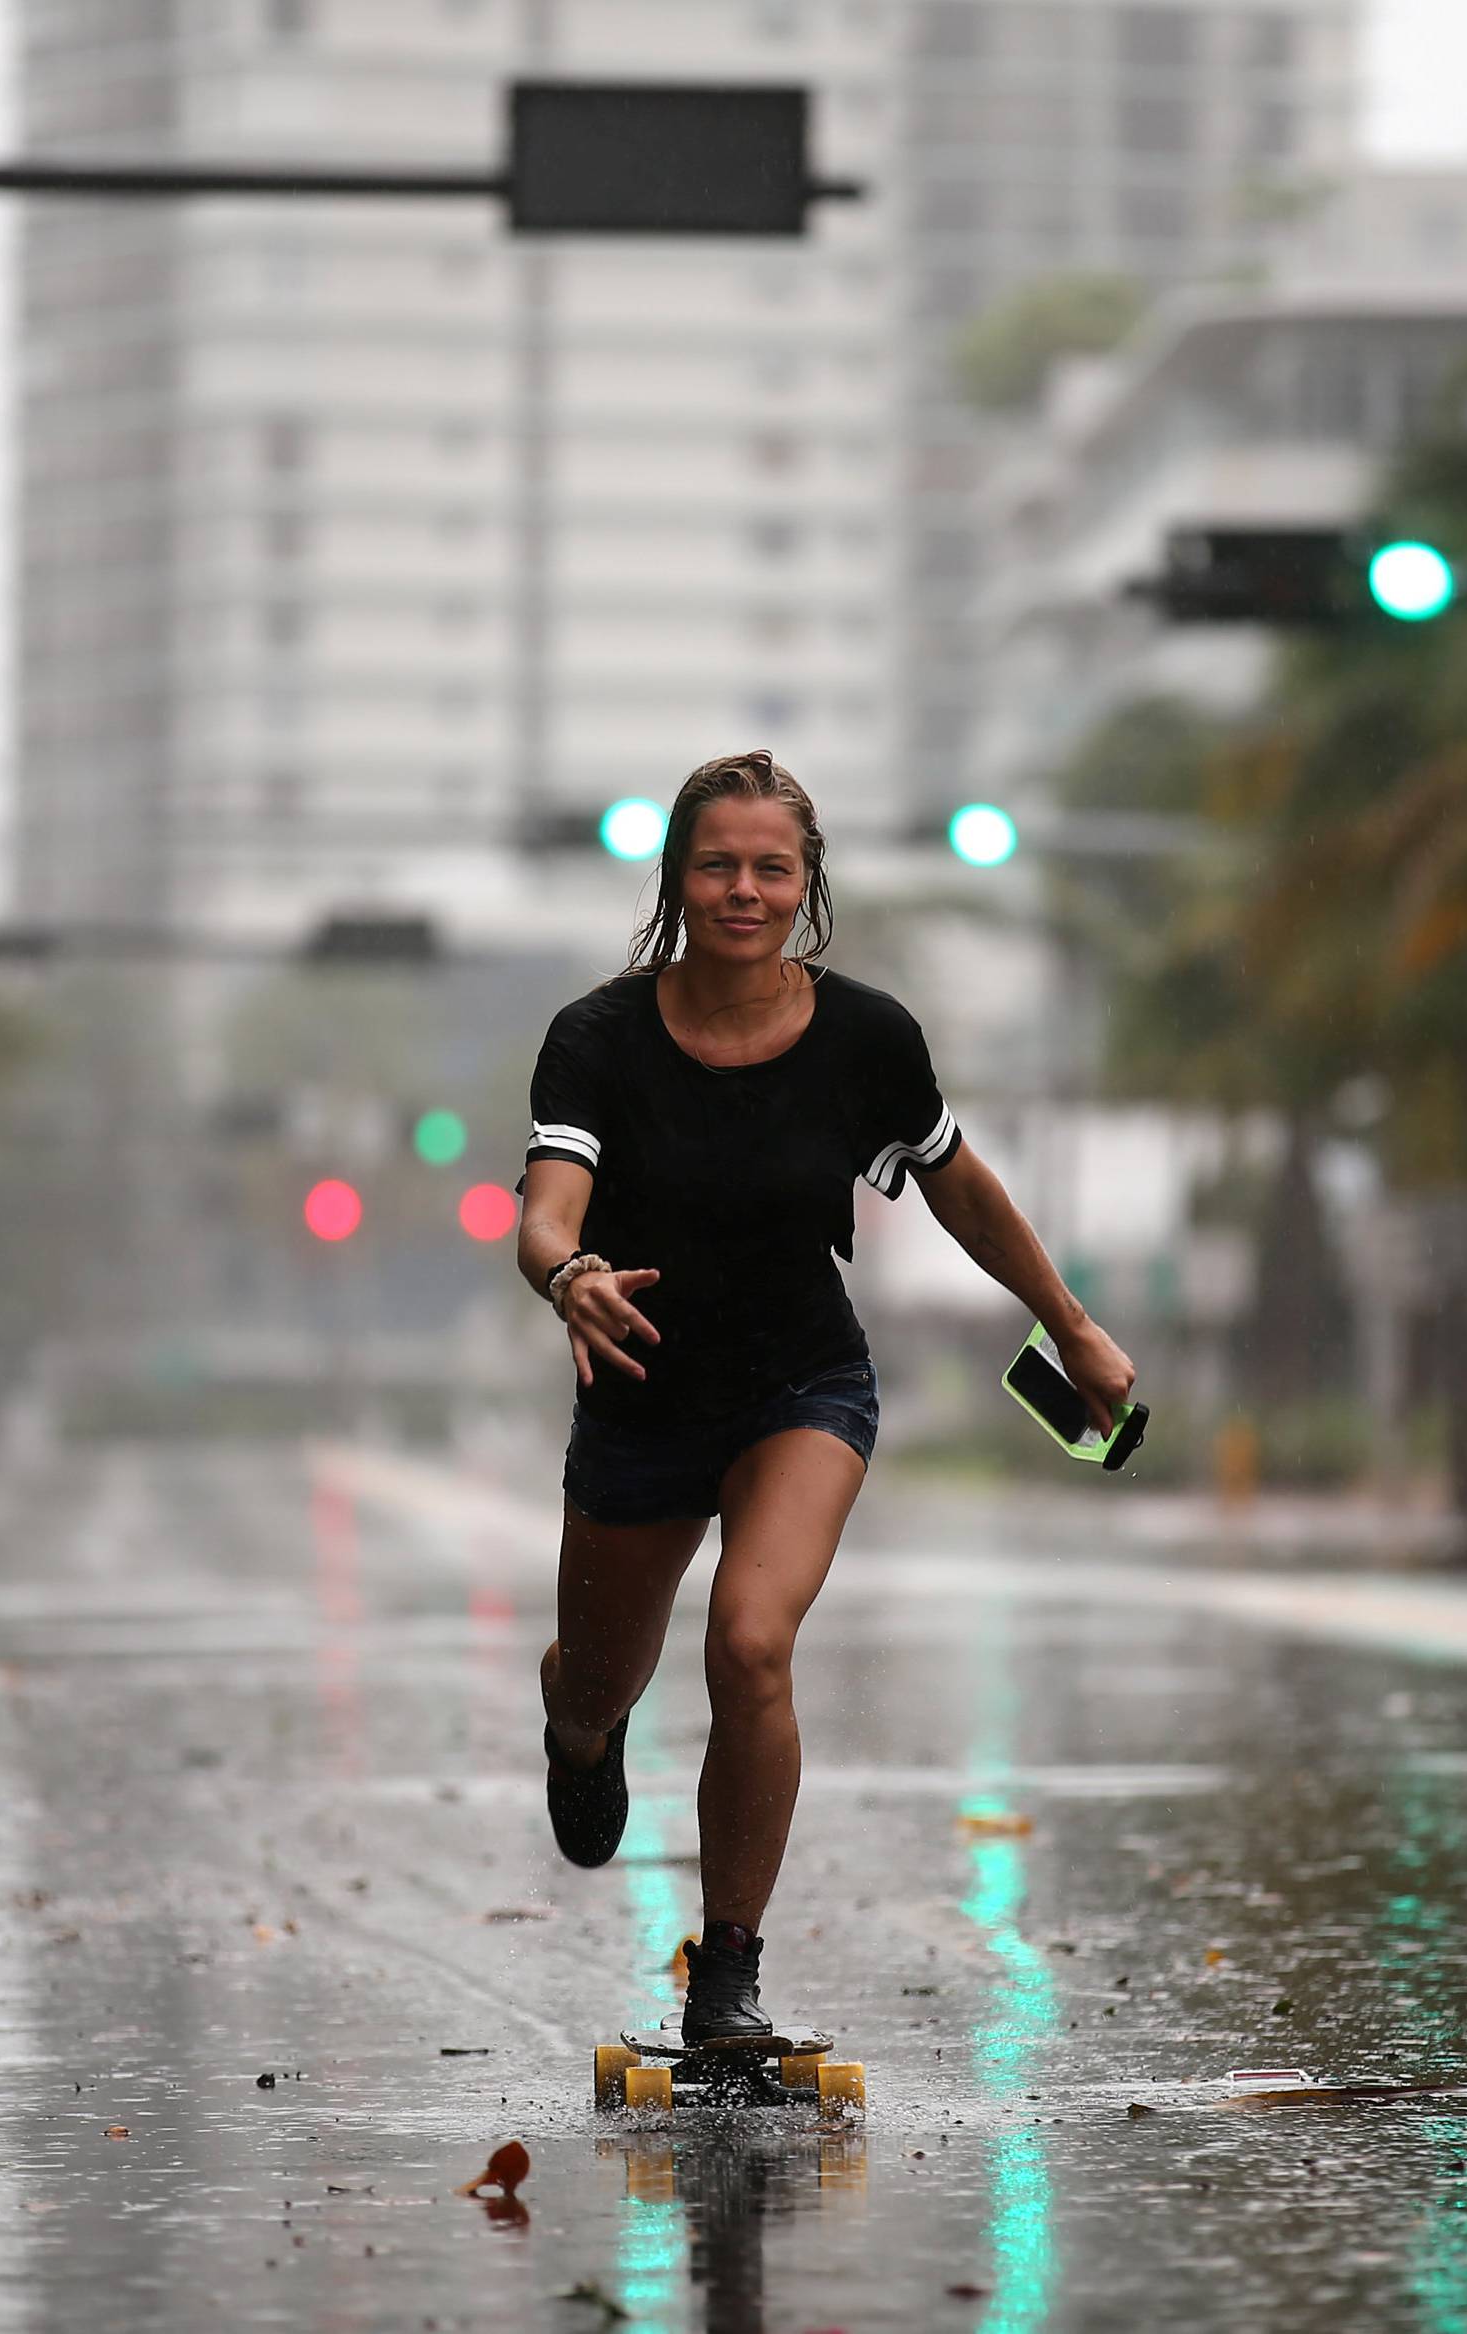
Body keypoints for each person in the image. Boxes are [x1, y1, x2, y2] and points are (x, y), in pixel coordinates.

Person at [514, 749, 1134, 2045]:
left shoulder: (864, 1039)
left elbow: (960, 1186)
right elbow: (547, 1211)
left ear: (807, 883)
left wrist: (1066, 1324)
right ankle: (581, 1727)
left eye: (770, 867)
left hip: (802, 1379)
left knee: (750, 1641)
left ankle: (726, 1974)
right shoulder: (600, 1039)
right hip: (638, 1390)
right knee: (595, 1682)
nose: (743, 888)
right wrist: (568, 1270)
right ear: (679, 879)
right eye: (717, 864)